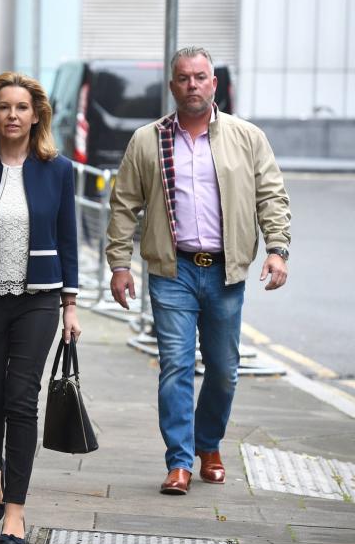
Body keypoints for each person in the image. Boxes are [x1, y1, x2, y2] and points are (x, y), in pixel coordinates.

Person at [106, 46, 291, 496]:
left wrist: (277, 249)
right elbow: (124, 204)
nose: (193, 85)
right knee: (175, 365)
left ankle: (209, 445)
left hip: (226, 273)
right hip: (173, 271)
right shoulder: (148, 140)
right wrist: (119, 264)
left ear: (214, 84)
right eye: (184, 78)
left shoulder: (247, 137)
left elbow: (271, 195)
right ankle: (180, 461)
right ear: (172, 86)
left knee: (224, 369)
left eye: (201, 77)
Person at [0, 72, 80, 544]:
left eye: (21, 108)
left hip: (40, 300)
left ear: (36, 115)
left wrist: (71, 305)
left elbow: (67, 237)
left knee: (21, 400)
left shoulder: (58, 169)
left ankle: (16, 511)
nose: (13, 115)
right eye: (4, 107)